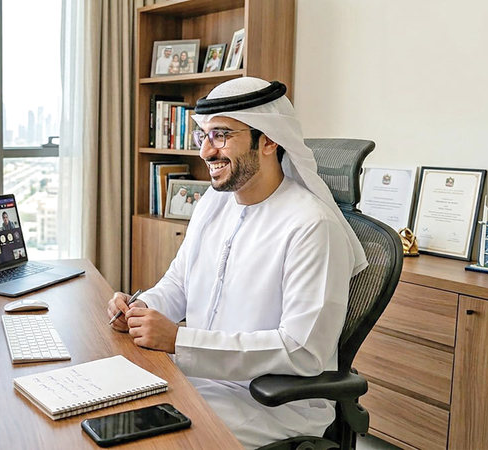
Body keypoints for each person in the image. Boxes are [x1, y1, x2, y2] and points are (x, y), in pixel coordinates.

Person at [106, 77, 367, 448]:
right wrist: (140, 308)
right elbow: (179, 283)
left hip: (266, 406)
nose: (206, 152)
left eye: (221, 136)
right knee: (106, 414)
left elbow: (301, 350)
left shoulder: (312, 226)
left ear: (269, 140)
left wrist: (180, 340)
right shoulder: (214, 204)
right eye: (204, 136)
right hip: (195, 379)